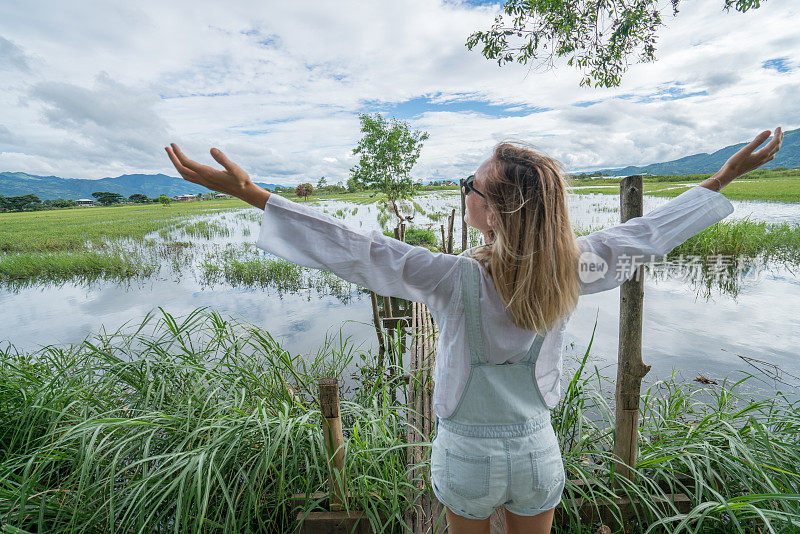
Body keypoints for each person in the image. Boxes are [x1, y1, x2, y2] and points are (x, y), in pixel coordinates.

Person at [165, 127, 782, 534]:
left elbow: (358, 250)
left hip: (465, 455)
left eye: (471, 186)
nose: (466, 194)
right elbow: (643, 237)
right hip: (537, 454)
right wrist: (719, 181)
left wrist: (255, 196)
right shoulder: (572, 269)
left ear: (491, 208)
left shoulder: (446, 276)